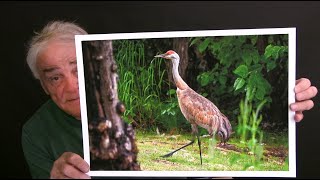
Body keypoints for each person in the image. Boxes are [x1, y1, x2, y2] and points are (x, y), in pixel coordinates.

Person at [22, 20, 318, 179]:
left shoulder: (174, 98)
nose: (72, 86)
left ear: (93, 64)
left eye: (77, 69)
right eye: (55, 76)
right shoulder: (36, 133)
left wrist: (292, 107)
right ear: (44, 86)